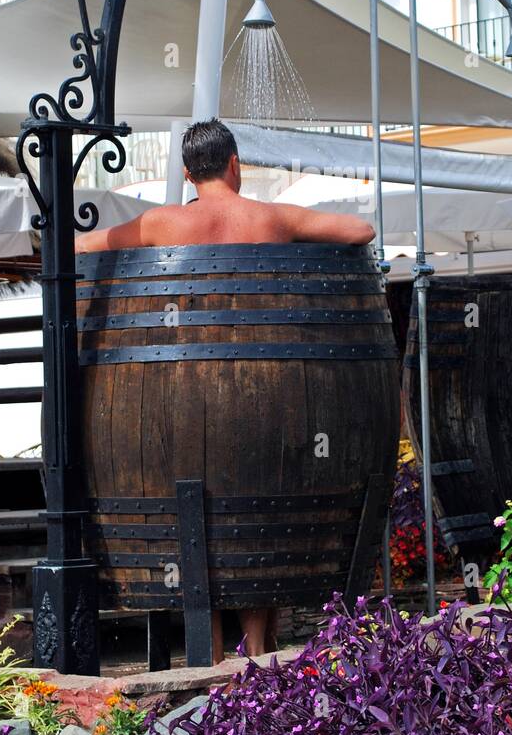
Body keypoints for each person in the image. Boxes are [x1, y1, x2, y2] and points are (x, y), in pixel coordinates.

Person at [75, 118, 375, 664]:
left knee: (204, 519)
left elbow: (81, 247)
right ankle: (258, 650)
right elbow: (361, 233)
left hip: (175, 394)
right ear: (235, 165)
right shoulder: (272, 216)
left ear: (189, 173)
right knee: (256, 498)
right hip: (268, 390)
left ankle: (207, 655)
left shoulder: (159, 223)